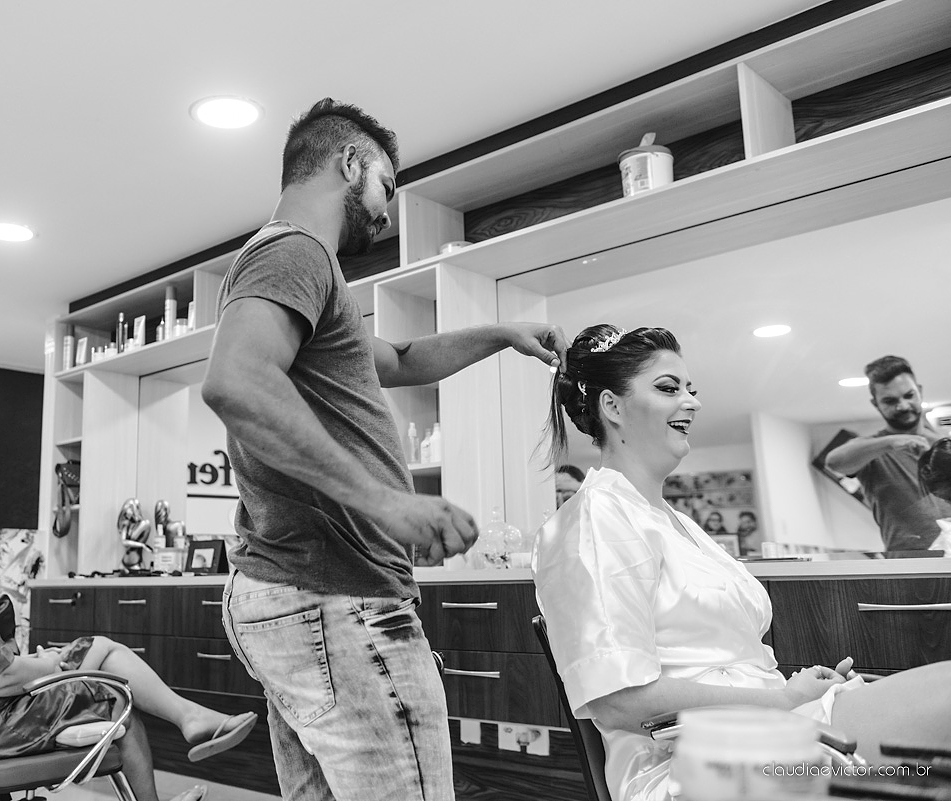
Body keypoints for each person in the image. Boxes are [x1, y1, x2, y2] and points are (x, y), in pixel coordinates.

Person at [201, 97, 568, 801]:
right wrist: (385, 503)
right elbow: (237, 381)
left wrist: (501, 333)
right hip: (336, 597)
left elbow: (396, 357)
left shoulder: (288, 266)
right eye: (387, 188)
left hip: (293, 596)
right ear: (348, 162)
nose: (388, 214)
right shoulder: (295, 252)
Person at [532, 325, 951, 801]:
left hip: (768, 726)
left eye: (691, 390)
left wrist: (801, 690)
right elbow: (619, 701)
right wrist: (782, 700)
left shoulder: (678, 524)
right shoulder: (592, 521)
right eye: (669, 389)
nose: (691, 402)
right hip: (691, 766)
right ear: (612, 406)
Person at [0, 458, 257, 801]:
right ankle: (187, 722)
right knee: (115, 697)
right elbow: (0, 678)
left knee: (104, 650)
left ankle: (190, 718)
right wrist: (48, 664)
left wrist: (38, 663)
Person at [824, 355, 951, 551]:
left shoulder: (944, 444)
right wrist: (891, 442)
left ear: (920, 392)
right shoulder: (873, 450)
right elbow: (834, 462)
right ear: (876, 404)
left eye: (909, 395)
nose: (902, 406)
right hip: (907, 570)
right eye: (890, 401)